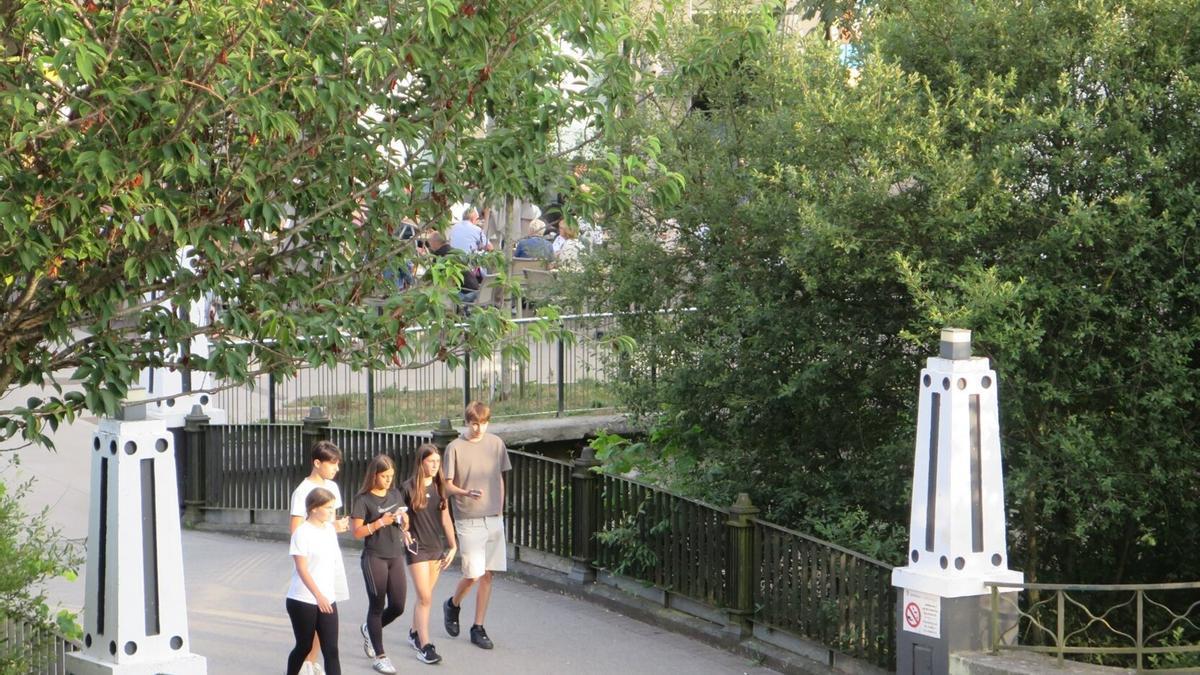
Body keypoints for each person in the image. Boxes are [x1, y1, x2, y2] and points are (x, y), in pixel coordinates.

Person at [442, 401, 510, 650]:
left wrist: (499, 508)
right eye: (474, 423)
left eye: (483, 423)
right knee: (472, 574)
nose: (478, 428)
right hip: (468, 517)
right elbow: (447, 485)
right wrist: (465, 492)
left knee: (488, 574)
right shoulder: (454, 448)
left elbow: (499, 478)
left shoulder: (496, 444)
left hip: (493, 516)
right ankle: (453, 604)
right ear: (467, 422)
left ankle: (478, 627)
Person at [290, 441, 350, 675]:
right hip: (307, 581)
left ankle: (312, 663)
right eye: (332, 463)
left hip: (328, 569)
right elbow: (297, 531)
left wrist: (335, 526)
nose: (336, 468)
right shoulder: (302, 491)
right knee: (305, 641)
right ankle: (306, 664)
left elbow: (329, 523)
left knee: (331, 646)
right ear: (317, 463)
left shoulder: (332, 487)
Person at [350, 455, 411, 675]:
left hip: (395, 556)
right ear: (374, 475)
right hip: (374, 557)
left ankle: (369, 629)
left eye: (391, 476)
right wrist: (379, 522)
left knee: (398, 606)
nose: (388, 480)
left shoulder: (395, 494)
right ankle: (380, 656)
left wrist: (404, 522)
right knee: (376, 606)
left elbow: (405, 521)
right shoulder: (363, 499)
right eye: (384, 476)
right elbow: (356, 532)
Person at [402, 443, 458, 665]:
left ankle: (414, 632)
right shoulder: (407, 488)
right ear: (421, 462)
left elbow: (446, 518)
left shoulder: (440, 487)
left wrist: (453, 546)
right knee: (425, 597)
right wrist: (404, 531)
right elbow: (400, 517)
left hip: (435, 548)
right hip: (416, 548)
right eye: (431, 461)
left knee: (423, 597)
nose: (435, 465)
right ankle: (425, 646)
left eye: (437, 462)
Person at [427, 231, 481, 304]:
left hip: (464, 294)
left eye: (430, 242)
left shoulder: (439, 255)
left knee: (433, 297)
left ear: (435, 243)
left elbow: (433, 278)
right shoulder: (454, 251)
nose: (429, 245)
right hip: (475, 290)